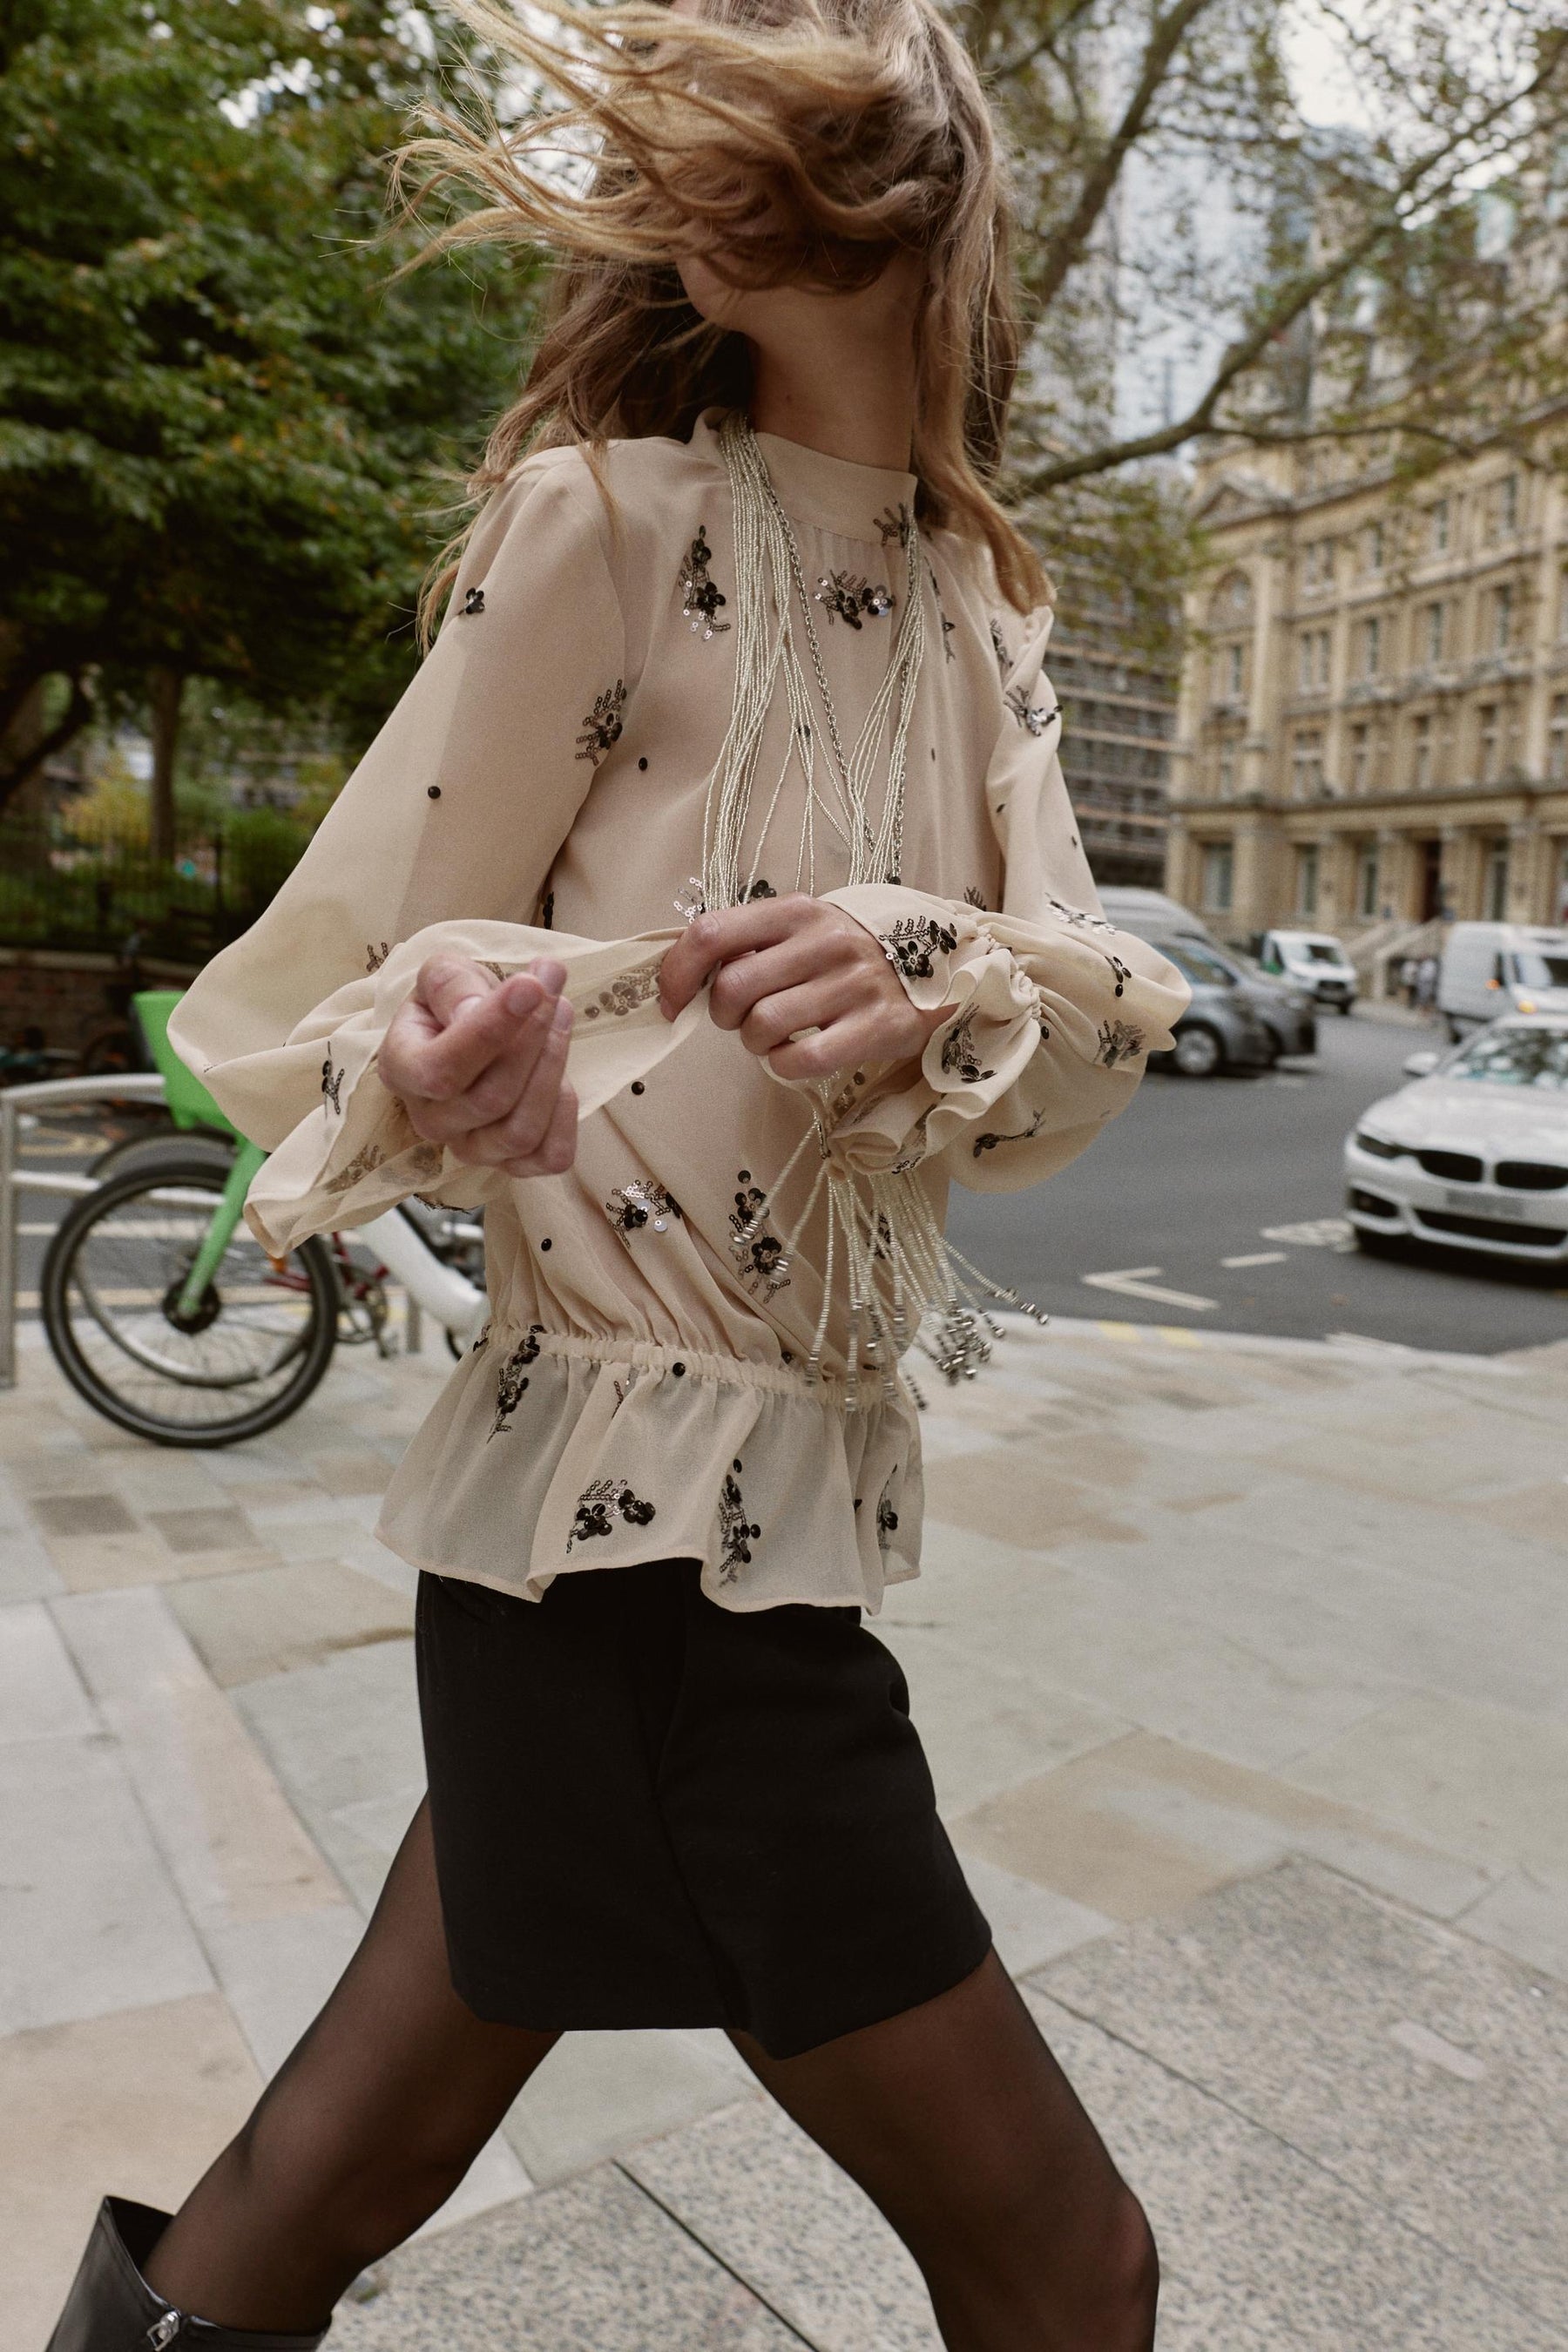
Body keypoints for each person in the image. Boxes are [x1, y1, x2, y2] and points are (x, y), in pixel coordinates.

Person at [46, 3, 1186, 2346]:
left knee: (345, 2154)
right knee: (1072, 2270)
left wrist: (926, 952)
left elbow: (1087, 1021)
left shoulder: (991, 610)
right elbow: (330, 981)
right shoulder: (606, 525)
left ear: (938, 155)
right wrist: (444, 1055)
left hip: (752, 1532)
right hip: (645, 1552)